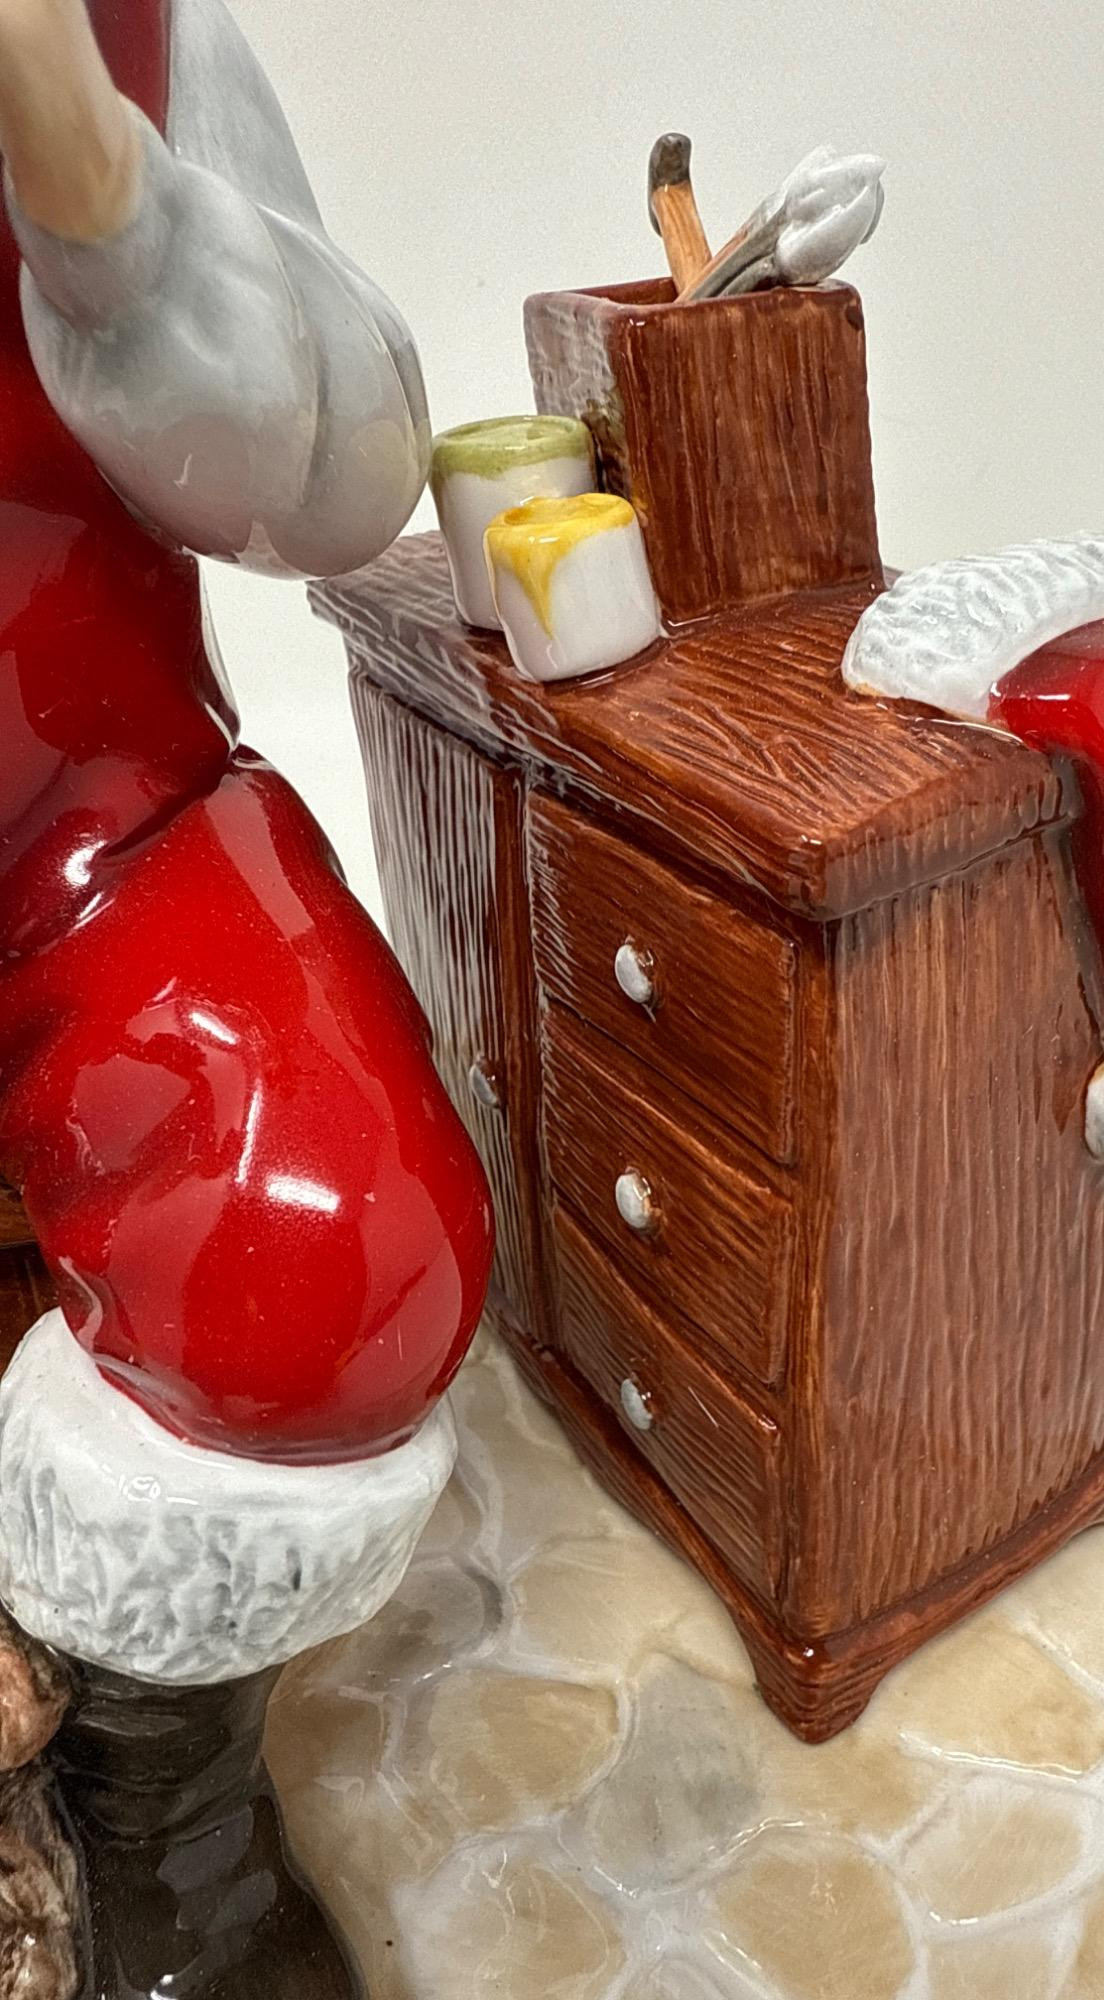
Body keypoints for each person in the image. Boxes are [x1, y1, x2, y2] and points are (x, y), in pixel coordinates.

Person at [0, 3, 494, 1992]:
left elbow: (347, 475)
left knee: (335, 1257)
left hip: (85, 831)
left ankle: (164, 1818)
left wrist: (108, 209)